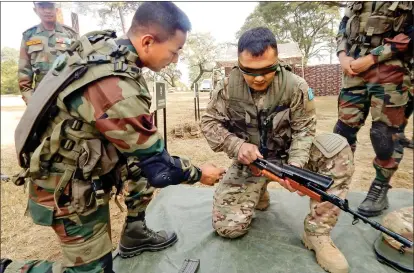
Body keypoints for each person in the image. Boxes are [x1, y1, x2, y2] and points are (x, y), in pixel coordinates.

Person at [4, 2, 225, 273]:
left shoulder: (107, 49)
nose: (176, 59)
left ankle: (134, 232)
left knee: (138, 164)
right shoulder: (115, 87)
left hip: (83, 162)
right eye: (175, 51)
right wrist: (202, 174)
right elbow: (160, 169)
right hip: (65, 185)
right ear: (147, 42)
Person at [201, 27, 355, 273]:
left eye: (267, 70)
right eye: (249, 71)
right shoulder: (227, 88)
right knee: (228, 229)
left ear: (278, 61)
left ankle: (317, 234)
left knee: (337, 150)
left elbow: (305, 130)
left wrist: (296, 168)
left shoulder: (296, 86)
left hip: (288, 155)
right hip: (252, 160)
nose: (259, 78)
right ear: (238, 64)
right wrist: (237, 145)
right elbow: (208, 123)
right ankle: (258, 190)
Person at [333, 1, 413, 217]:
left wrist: (372, 58)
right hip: (353, 69)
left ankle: (380, 187)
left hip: (390, 70)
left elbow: (410, 34)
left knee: (384, 135)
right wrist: (342, 55)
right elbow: (344, 25)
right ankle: (336, 182)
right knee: (342, 132)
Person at [18, 1, 79, 104]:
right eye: (42, 7)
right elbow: (24, 71)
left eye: (50, 7)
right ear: (35, 10)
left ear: (56, 9)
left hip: (68, 93)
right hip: (41, 96)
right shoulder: (29, 35)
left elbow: (79, 64)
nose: (47, 11)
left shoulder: (70, 34)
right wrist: (30, 99)